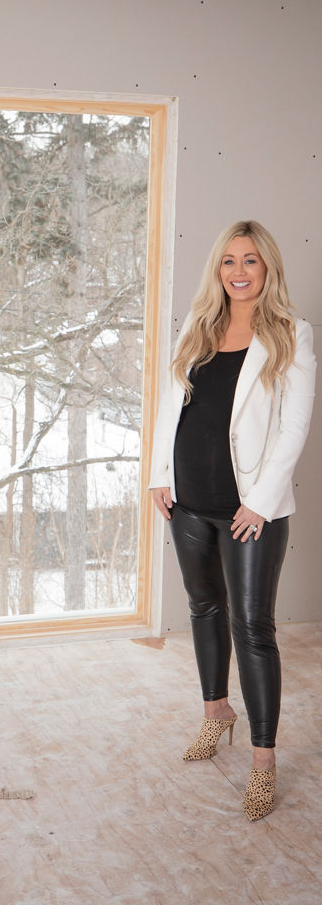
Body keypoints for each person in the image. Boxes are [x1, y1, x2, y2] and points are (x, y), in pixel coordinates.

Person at [149, 220, 315, 821]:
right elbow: (171, 408)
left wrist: (261, 502)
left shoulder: (292, 334)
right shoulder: (197, 328)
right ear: (217, 270)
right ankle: (215, 714)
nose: (238, 271)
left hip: (251, 509)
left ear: (267, 267)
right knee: (203, 609)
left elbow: (294, 428)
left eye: (249, 260)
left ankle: (263, 764)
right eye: (227, 261)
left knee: (253, 628)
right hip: (187, 501)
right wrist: (157, 476)